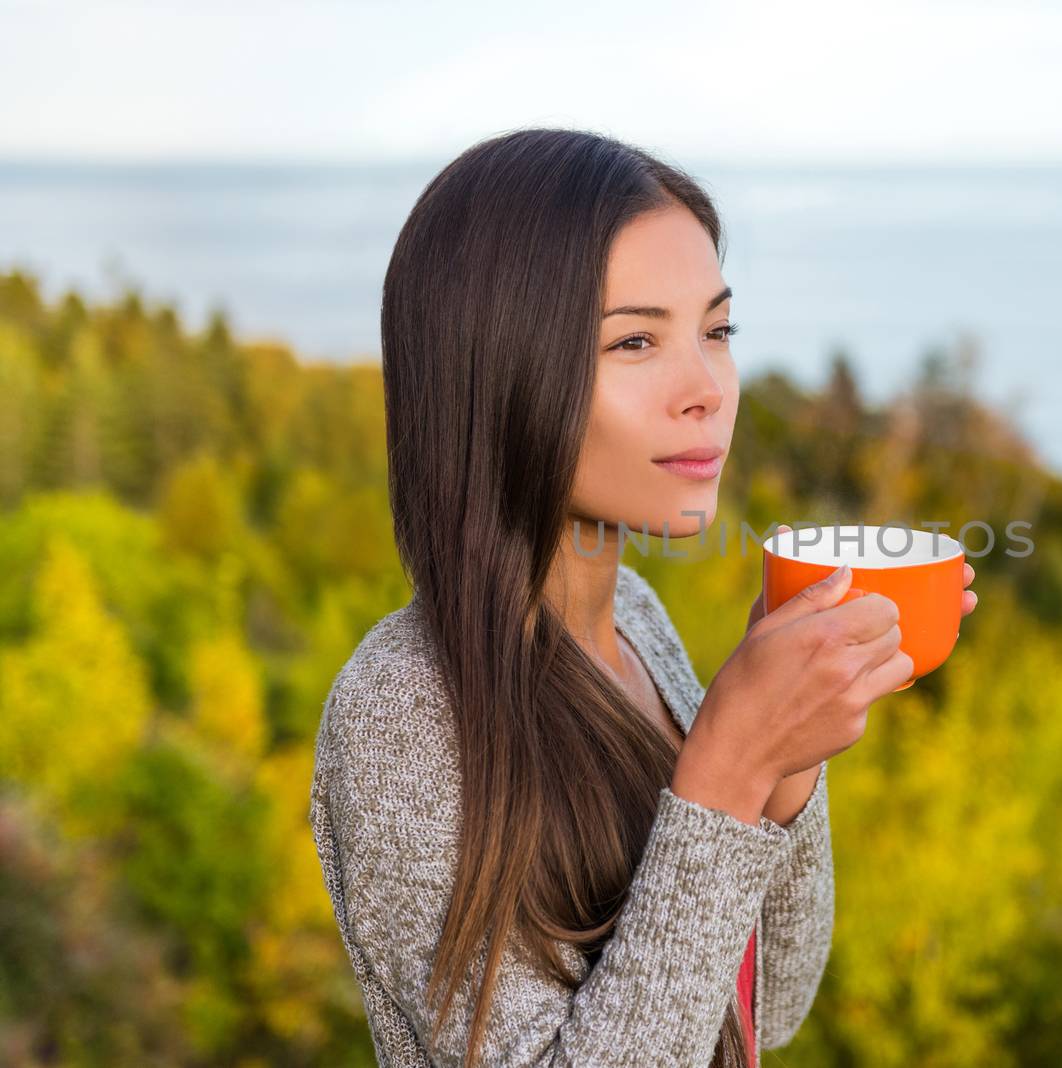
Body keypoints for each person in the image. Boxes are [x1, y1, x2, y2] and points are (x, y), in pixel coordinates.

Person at [307, 127, 979, 1068]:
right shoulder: (404, 711)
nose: (707, 388)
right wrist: (727, 767)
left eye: (717, 331)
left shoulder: (638, 622)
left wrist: (786, 757)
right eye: (634, 340)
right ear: (500, 371)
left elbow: (762, 1010)